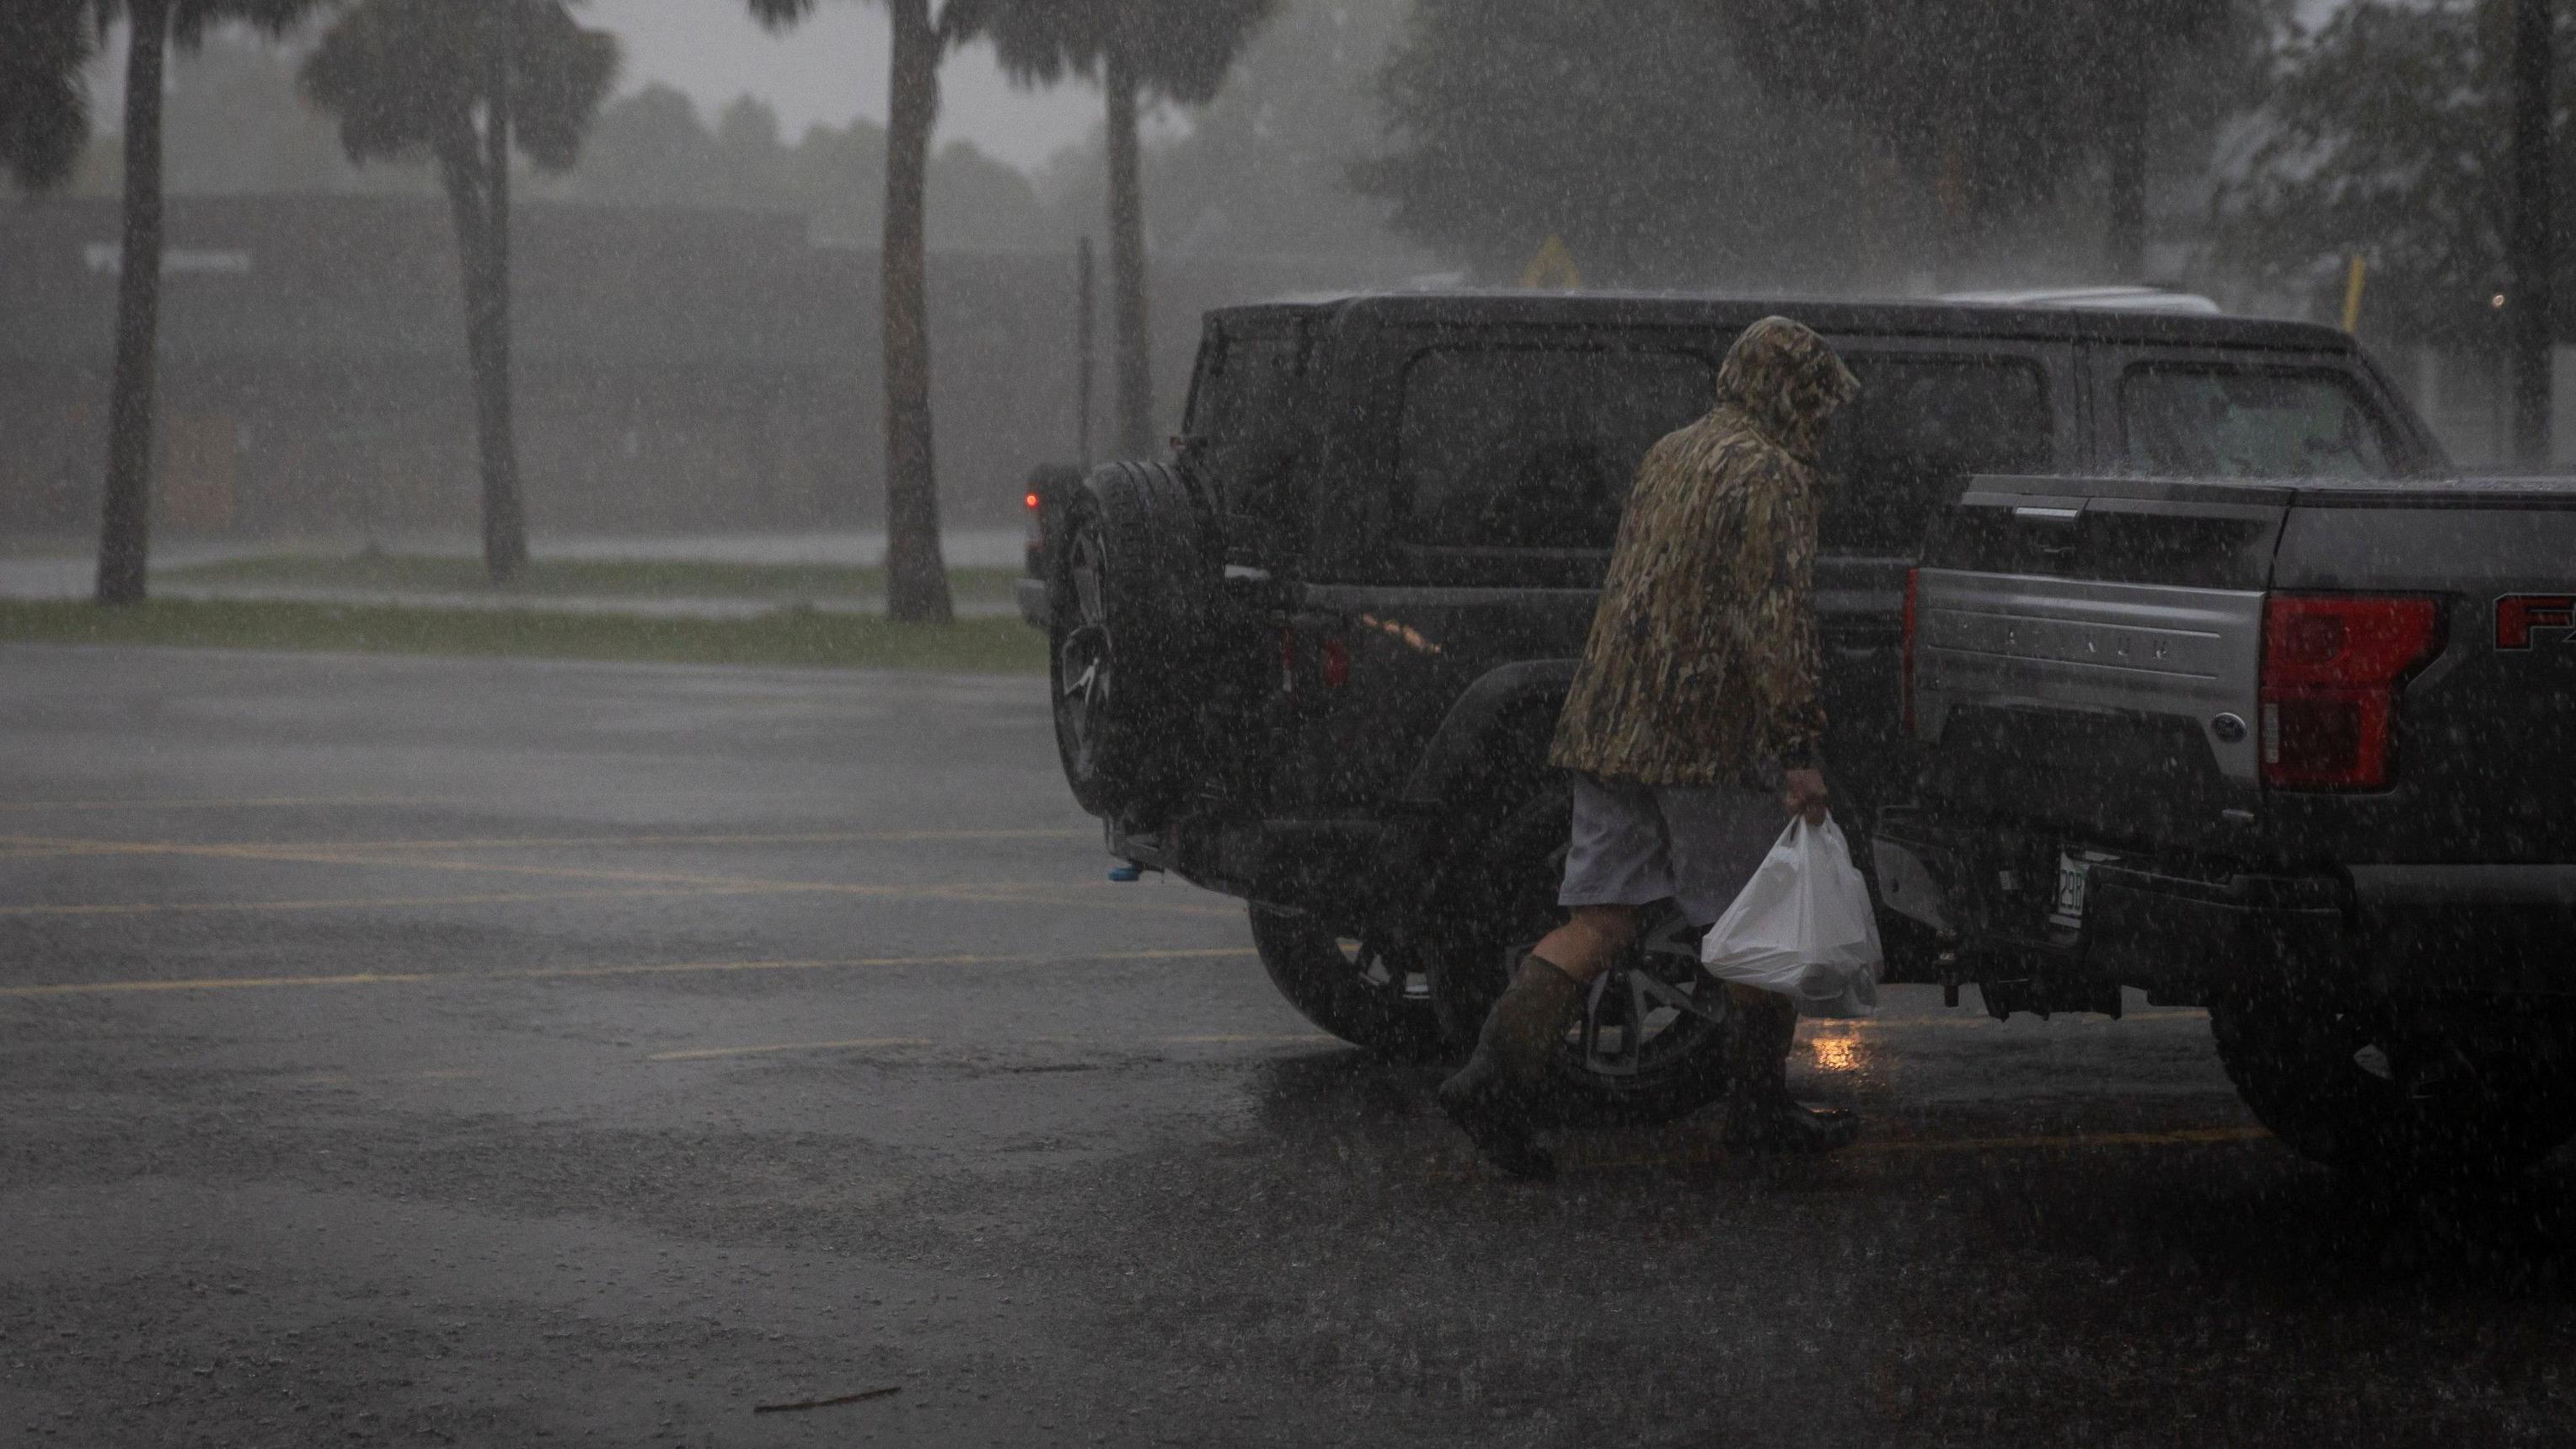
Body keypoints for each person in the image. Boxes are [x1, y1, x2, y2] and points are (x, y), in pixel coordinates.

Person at [1436, 315, 1862, 1180]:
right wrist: (1795, 749)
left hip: (1608, 722)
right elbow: (1773, 620)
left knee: (1600, 921)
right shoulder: (1772, 475)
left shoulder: (1671, 452)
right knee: (1757, 930)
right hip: (1705, 736)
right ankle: (1757, 1114)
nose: (1823, 420)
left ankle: (1492, 1077)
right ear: (1794, 395)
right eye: (1818, 401)